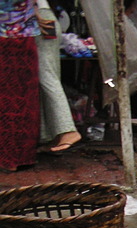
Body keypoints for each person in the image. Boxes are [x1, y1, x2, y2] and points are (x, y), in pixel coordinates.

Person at [36, 0, 82, 154]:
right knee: (46, 75)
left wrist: (34, 15)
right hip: (42, 18)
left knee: (46, 76)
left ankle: (67, 129)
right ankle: (51, 135)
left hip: (39, 19)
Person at [0, 0, 40, 171]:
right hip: (24, 36)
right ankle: (20, 155)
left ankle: (10, 156)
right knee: (24, 96)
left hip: (10, 38)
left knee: (13, 95)